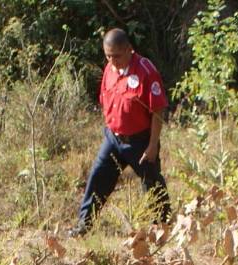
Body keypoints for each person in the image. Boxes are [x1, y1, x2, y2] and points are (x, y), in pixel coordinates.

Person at [69, 28, 171, 237]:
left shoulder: (145, 70)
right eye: (108, 56)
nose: (112, 60)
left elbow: (158, 110)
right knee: (97, 179)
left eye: (116, 55)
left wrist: (152, 145)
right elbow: (106, 99)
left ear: (128, 49)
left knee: (151, 185)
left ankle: (163, 228)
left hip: (140, 141)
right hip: (113, 138)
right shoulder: (109, 69)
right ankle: (83, 226)